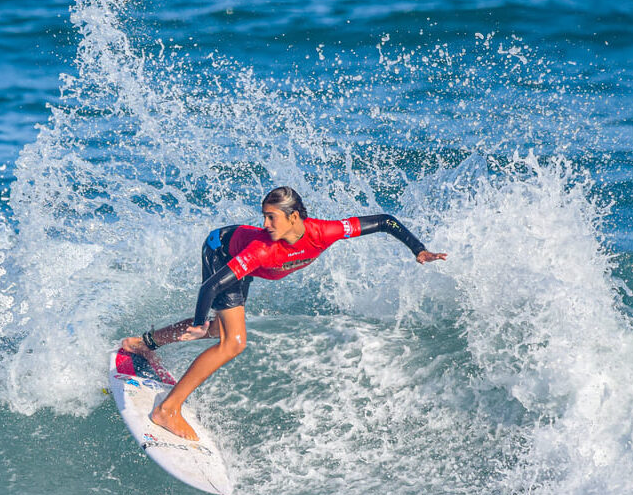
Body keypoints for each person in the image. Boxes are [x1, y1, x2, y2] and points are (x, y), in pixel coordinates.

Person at [121, 186, 446, 440]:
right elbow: (209, 287)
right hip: (220, 251)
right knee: (232, 341)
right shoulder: (262, 248)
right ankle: (168, 409)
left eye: (271, 217)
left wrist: (419, 249)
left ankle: (143, 344)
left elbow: (384, 221)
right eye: (263, 216)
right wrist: (196, 323)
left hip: (235, 254)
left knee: (218, 333)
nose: (264, 224)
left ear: (294, 217)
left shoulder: (325, 231)